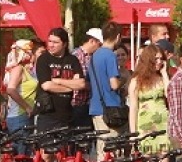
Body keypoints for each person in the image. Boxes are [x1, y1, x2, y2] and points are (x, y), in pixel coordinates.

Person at [34, 27, 85, 133]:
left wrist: (58, 81)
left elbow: (81, 84)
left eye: (55, 42)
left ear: (64, 44)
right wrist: (70, 88)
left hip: (67, 116)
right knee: (48, 148)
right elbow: (47, 86)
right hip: (48, 115)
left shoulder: (72, 60)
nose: (51, 45)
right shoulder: (43, 59)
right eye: (50, 41)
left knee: (67, 149)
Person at [89, 22, 127, 150]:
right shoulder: (110, 55)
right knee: (113, 149)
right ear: (118, 37)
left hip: (96, 106)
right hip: (110, 107)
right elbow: (114, 84)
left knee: (102, 148)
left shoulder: (94, 55)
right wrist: (123, 80)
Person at [128, 44, 170, 153]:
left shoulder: (162, 78)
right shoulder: (136, 80)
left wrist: (165, 74)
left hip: (163, 123)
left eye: (161, 58)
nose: (159, 61)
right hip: (145, 123)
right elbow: (133, 107)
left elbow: (169, 96)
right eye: (156, 59)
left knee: (164, 159)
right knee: (147, 160)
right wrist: (133, 133)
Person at [5, 39, 37, 151]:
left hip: (24, 116)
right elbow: (10, 89)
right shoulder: (18, 69)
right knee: (21, 154)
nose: (31, 54)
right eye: (28, 51)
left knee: (26, 153)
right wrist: (27, 107)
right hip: (19, 116)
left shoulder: (26, 70)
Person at [70, 27, 104, 130]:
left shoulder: (92, 57)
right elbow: (78, 82)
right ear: (92, 41)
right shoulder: (76, 56)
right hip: (77, 104)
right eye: (99, 45)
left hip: (89, 105)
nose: (100, 48)